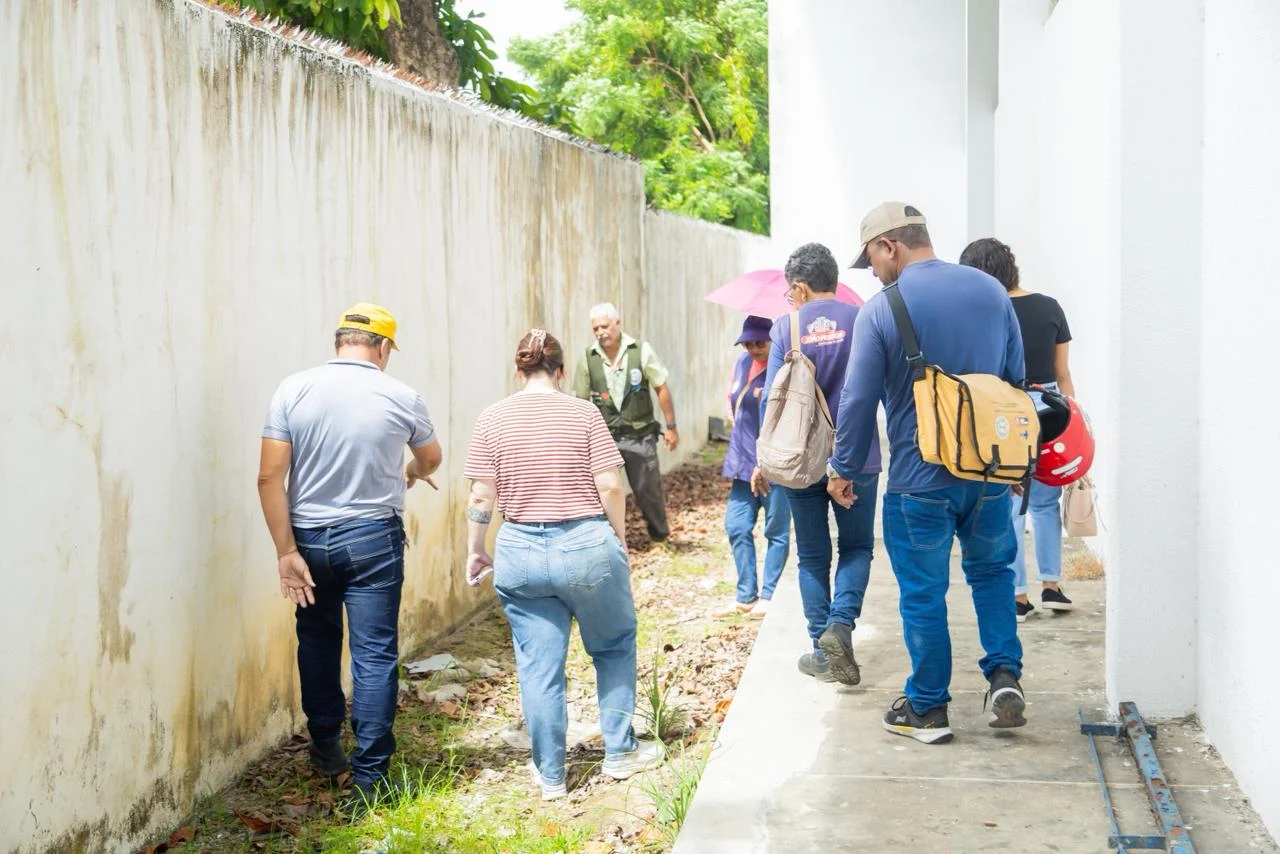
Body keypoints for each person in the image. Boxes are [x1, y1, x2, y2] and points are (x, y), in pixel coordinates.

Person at [828, 202, 1026, 744]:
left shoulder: (883, 307)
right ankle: (1005, 676)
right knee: (992, 575)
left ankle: (927, 707)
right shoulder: (991, 291)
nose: (871, 271)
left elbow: (858, 399)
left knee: (922, 592)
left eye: (870, 257)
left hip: (920, 482)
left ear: (889, 245)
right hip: (987, 472)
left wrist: (843, 467)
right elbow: (1014, 381)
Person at [466, 329, 664, 801]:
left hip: (519, 549)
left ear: (518, 371)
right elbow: (611, 486)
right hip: (587, 544)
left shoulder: (492, 419)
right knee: (613, 647)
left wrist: (475, 547)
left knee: (539, 667)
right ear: (560, 370)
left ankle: (551, 775)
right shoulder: (584, 412)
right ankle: (619, 752)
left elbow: (480, 494)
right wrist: (615, 540)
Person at [257, 303, 443, 804]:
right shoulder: (401, 395)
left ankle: (326, 753)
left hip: (308, 540)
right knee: (375, 654)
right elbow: (431, 457)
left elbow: (269, 477)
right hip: (372, 540)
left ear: (339, 342)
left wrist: (285, 551)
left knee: (316, 643)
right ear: (382, 348)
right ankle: (370, 778)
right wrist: (410, 472)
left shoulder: (292, 389)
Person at [751, 243, 882, 686]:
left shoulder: (785, 328)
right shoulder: (862, 318)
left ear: (801, 287)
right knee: (858, 547)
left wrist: (762, 456)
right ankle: (841, 626)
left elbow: (772, 400)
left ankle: (819, 648)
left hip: (800, 458)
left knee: (811, 556)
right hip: (858, 454)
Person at [959, 238, 1077, 622]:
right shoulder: (1050, 307)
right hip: (1051, 408)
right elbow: (1063, 375)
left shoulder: (986, 312)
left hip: (1006, 412)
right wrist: (1072, 418)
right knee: (1045, 504)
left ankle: (1018, 595)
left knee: (1010, 504)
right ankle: (1052, 585)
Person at [573, 303, 678, 545]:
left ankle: (660, 538)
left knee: (648, 490)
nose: (601, 332)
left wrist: (671, 427)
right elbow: (580, 401)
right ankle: (606, 542)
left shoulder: (639, 350)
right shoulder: (588, 358)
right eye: (596, 328)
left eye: (605, 326)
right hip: (605, 438)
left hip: (640, 434)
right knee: (601, 491)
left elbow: (661, 386)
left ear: (617, 324)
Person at [714, 315, 792, 620]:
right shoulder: (741, 365)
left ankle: (769, 595)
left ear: (772, 340)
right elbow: (732, 402)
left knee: (777, 531)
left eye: (759, 342)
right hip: (742, 463)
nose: (753, 348)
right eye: (748, 343)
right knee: (736, 526)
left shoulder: (784, 368)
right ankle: (745, 595)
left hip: (774, 465)